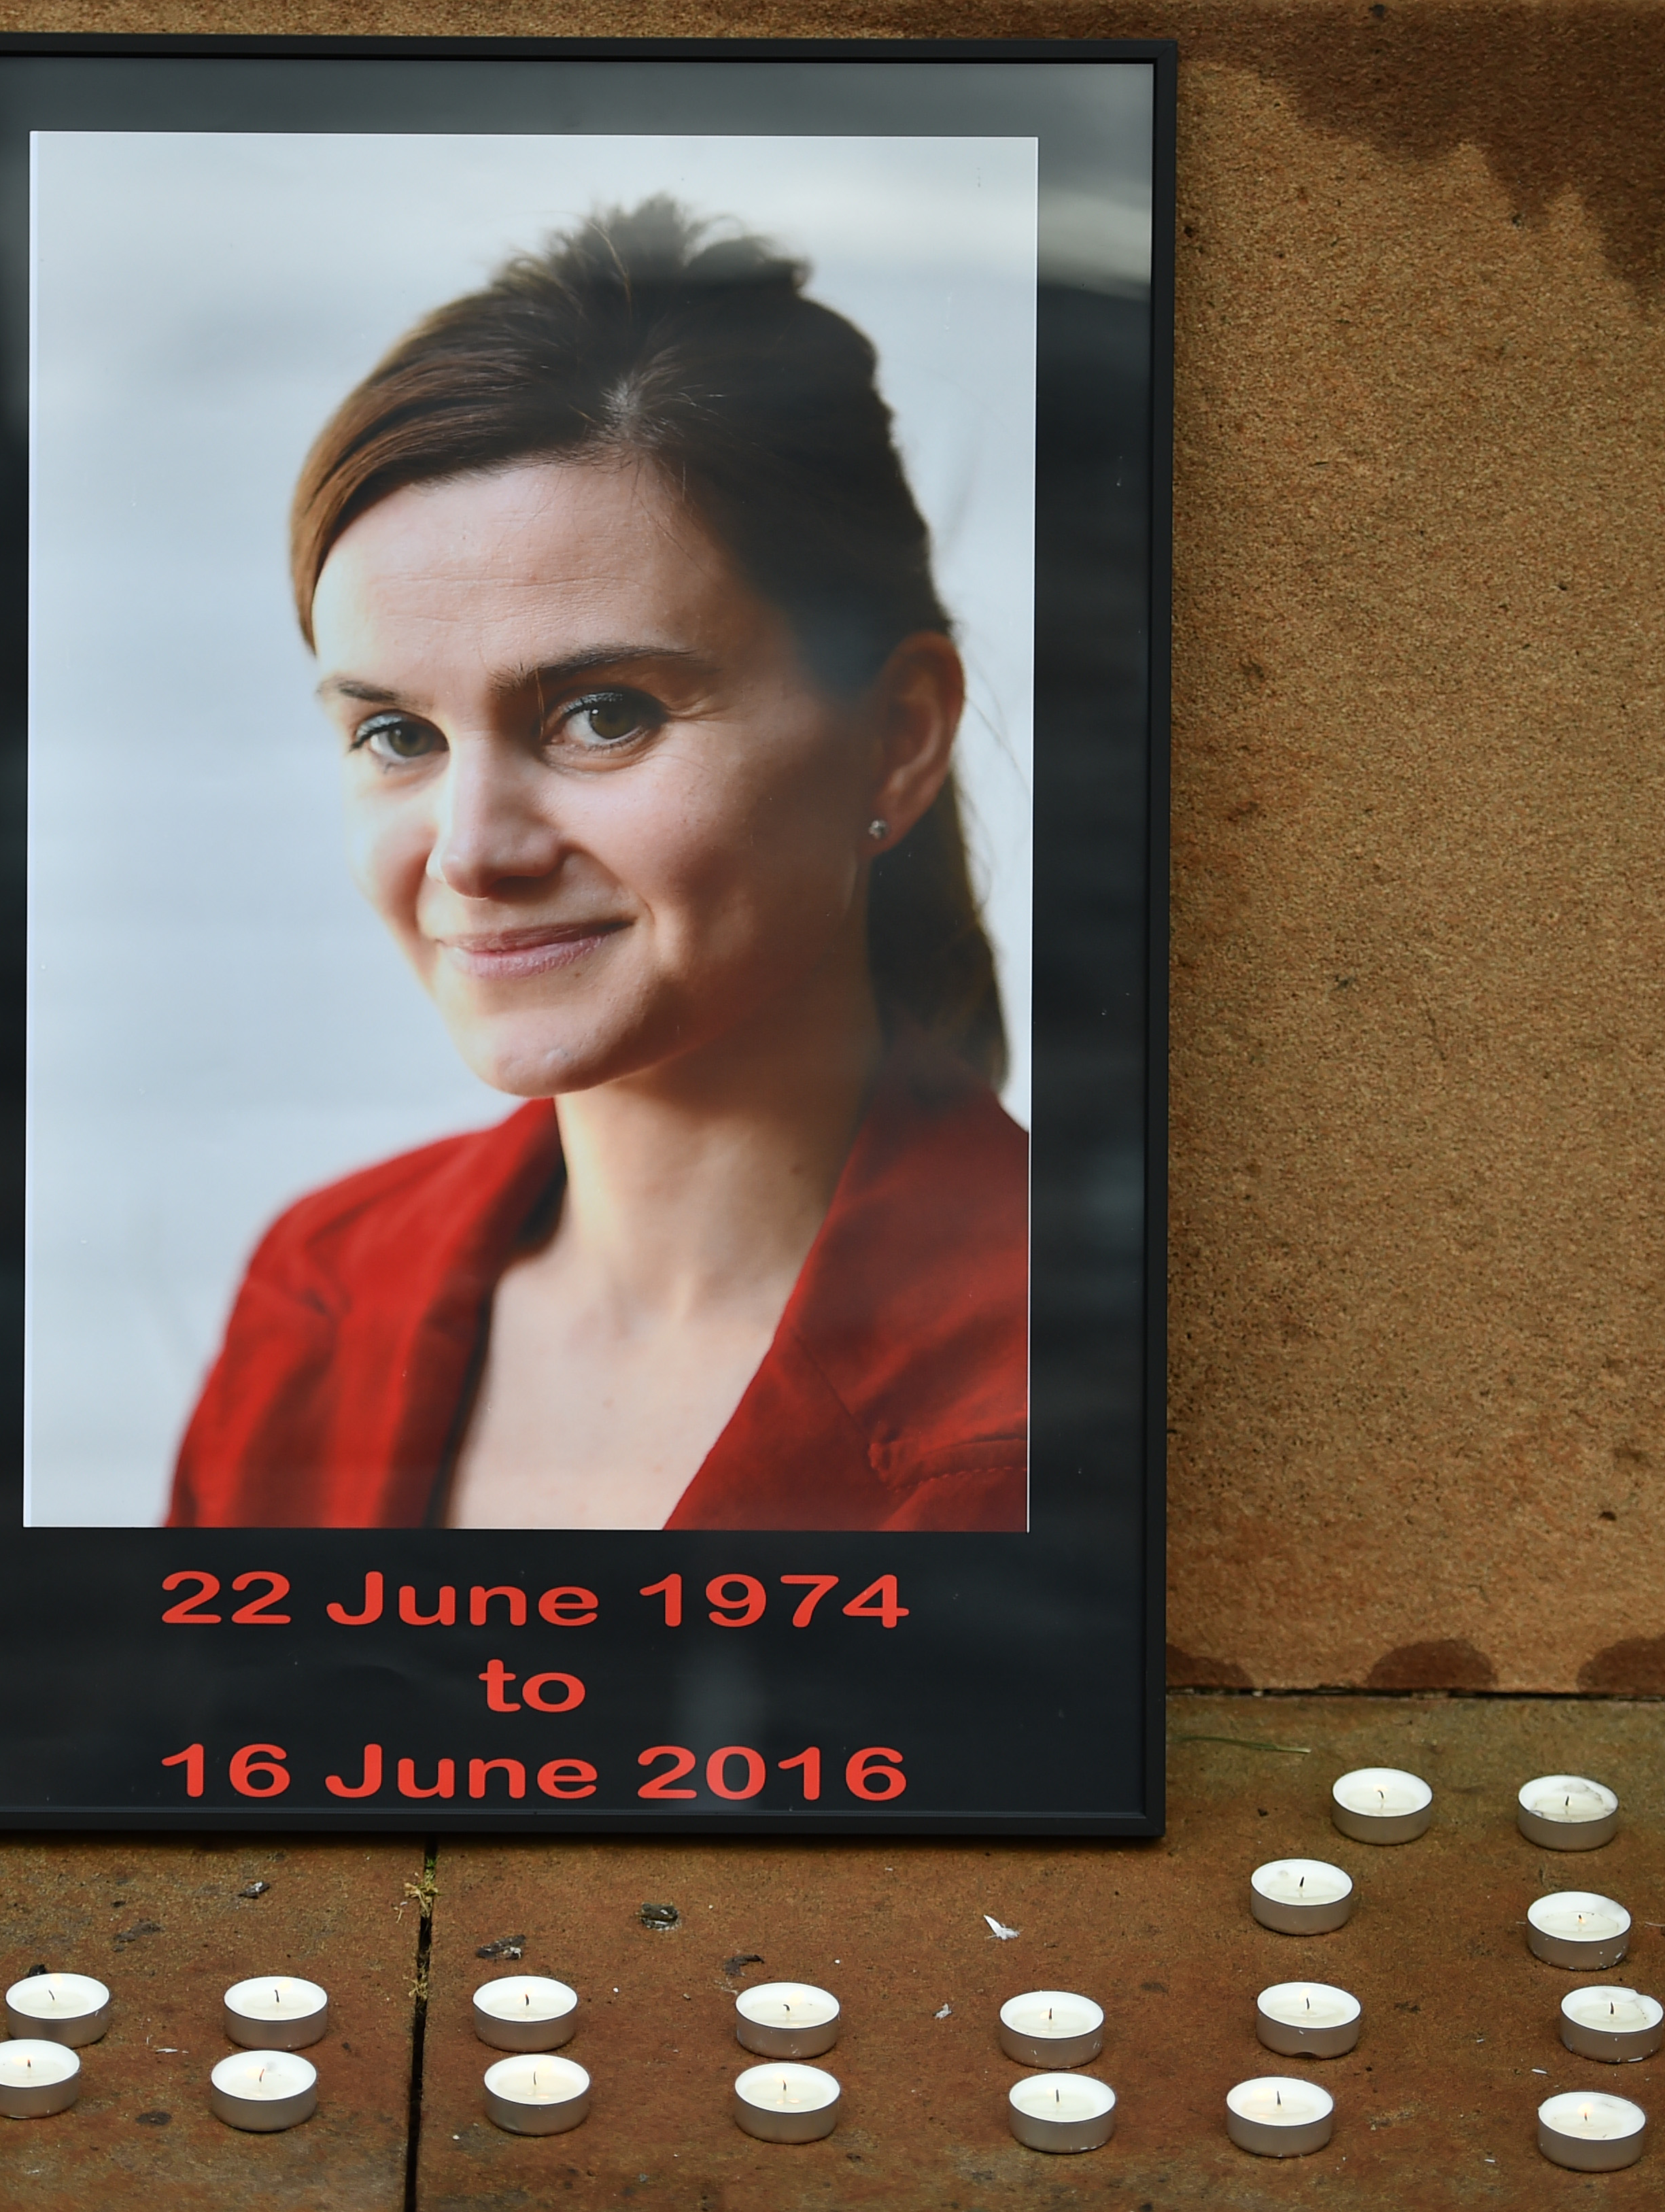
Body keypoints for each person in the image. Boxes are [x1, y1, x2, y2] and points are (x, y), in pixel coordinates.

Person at [163, 199, 1025, 1531]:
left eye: (603, 714)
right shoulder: (315, 1297)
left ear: (895, 739)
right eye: (397, 734)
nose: (470, 851)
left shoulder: (1061, 1407)